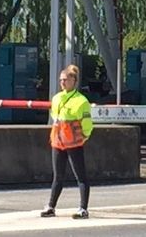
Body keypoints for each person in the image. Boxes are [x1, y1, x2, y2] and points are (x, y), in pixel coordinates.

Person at [40, 64, 93, 219]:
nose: (62, 82)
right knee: (58, 176)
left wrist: (84, 137)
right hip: (58, 142)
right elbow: (55, 118)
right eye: (61, 80)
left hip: (74, 143)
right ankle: (51, 206)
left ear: (74, 81)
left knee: (81, 176)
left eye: (65, 80)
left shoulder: (81, 101)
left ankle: (83, 208)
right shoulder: (56, 98)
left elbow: (87, 124)